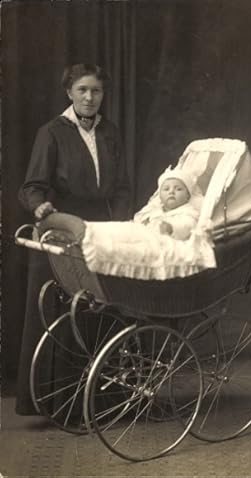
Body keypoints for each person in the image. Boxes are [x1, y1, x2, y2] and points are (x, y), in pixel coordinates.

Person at [16, 63, 131, 415]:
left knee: (101, 310)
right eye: (82, 89)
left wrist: (124, 224)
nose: (89, 97)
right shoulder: (51, 132)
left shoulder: (110, 132)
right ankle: (60, 403)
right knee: (66, 312)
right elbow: (31, 187)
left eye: (96, 91)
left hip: (101, 230)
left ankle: (102, 401)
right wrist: (40, 207)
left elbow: (123, 186)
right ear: (69, 92)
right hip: (63, 227)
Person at [135, 168, 202, 240]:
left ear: (187, 196)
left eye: (178, 189)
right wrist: (144, 221)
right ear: (160, 196)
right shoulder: (154, 209)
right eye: (166, 189)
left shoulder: (188, 212)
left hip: (171, 243)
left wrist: (172, 228)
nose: (171, 192)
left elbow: (189, 225)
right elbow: (139, 218)